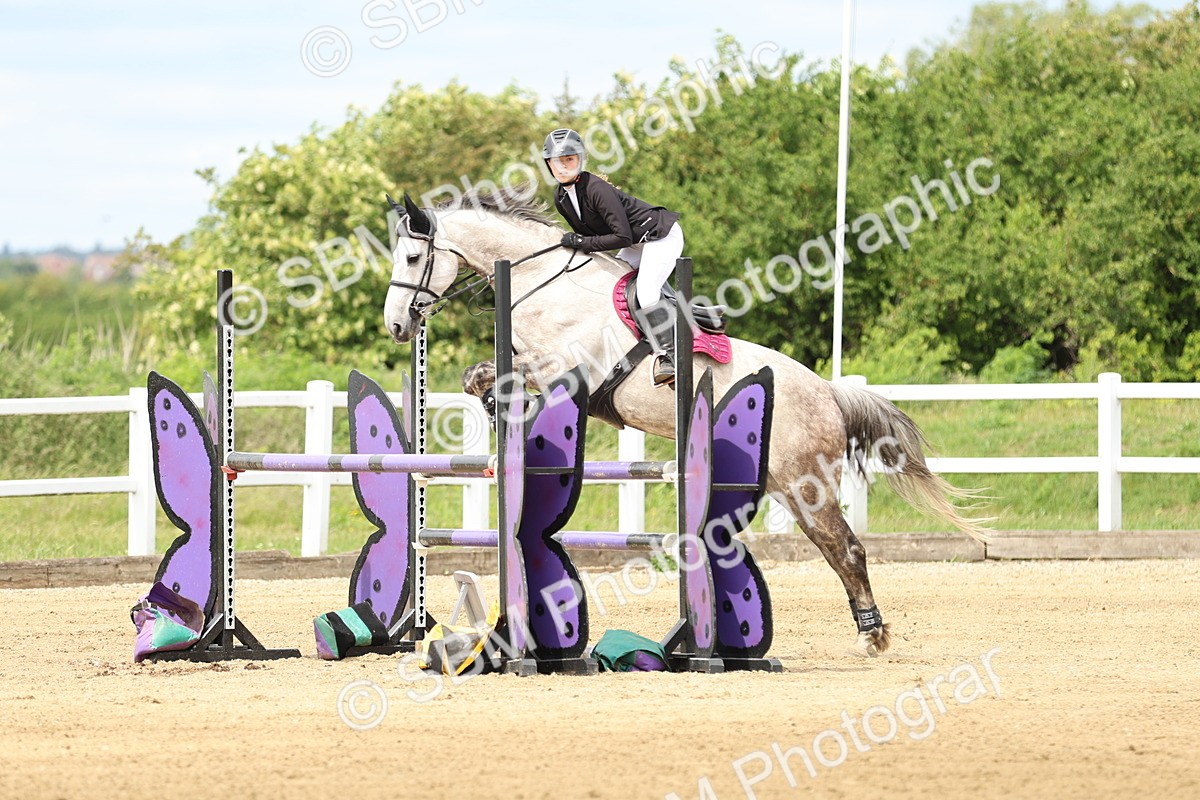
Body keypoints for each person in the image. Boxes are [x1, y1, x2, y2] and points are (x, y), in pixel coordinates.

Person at [542, 128, 684, 387]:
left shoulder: (596, 188)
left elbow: (621, 238)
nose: (563, 167)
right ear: (548, 165)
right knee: (611, 288)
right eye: (557, 162)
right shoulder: (561, 197)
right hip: (636, 242)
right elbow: (590, 238)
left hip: (660, 236)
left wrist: (582, 243)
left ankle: (670, 358)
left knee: (647, 292)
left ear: (580, 160)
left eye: (569, 160)